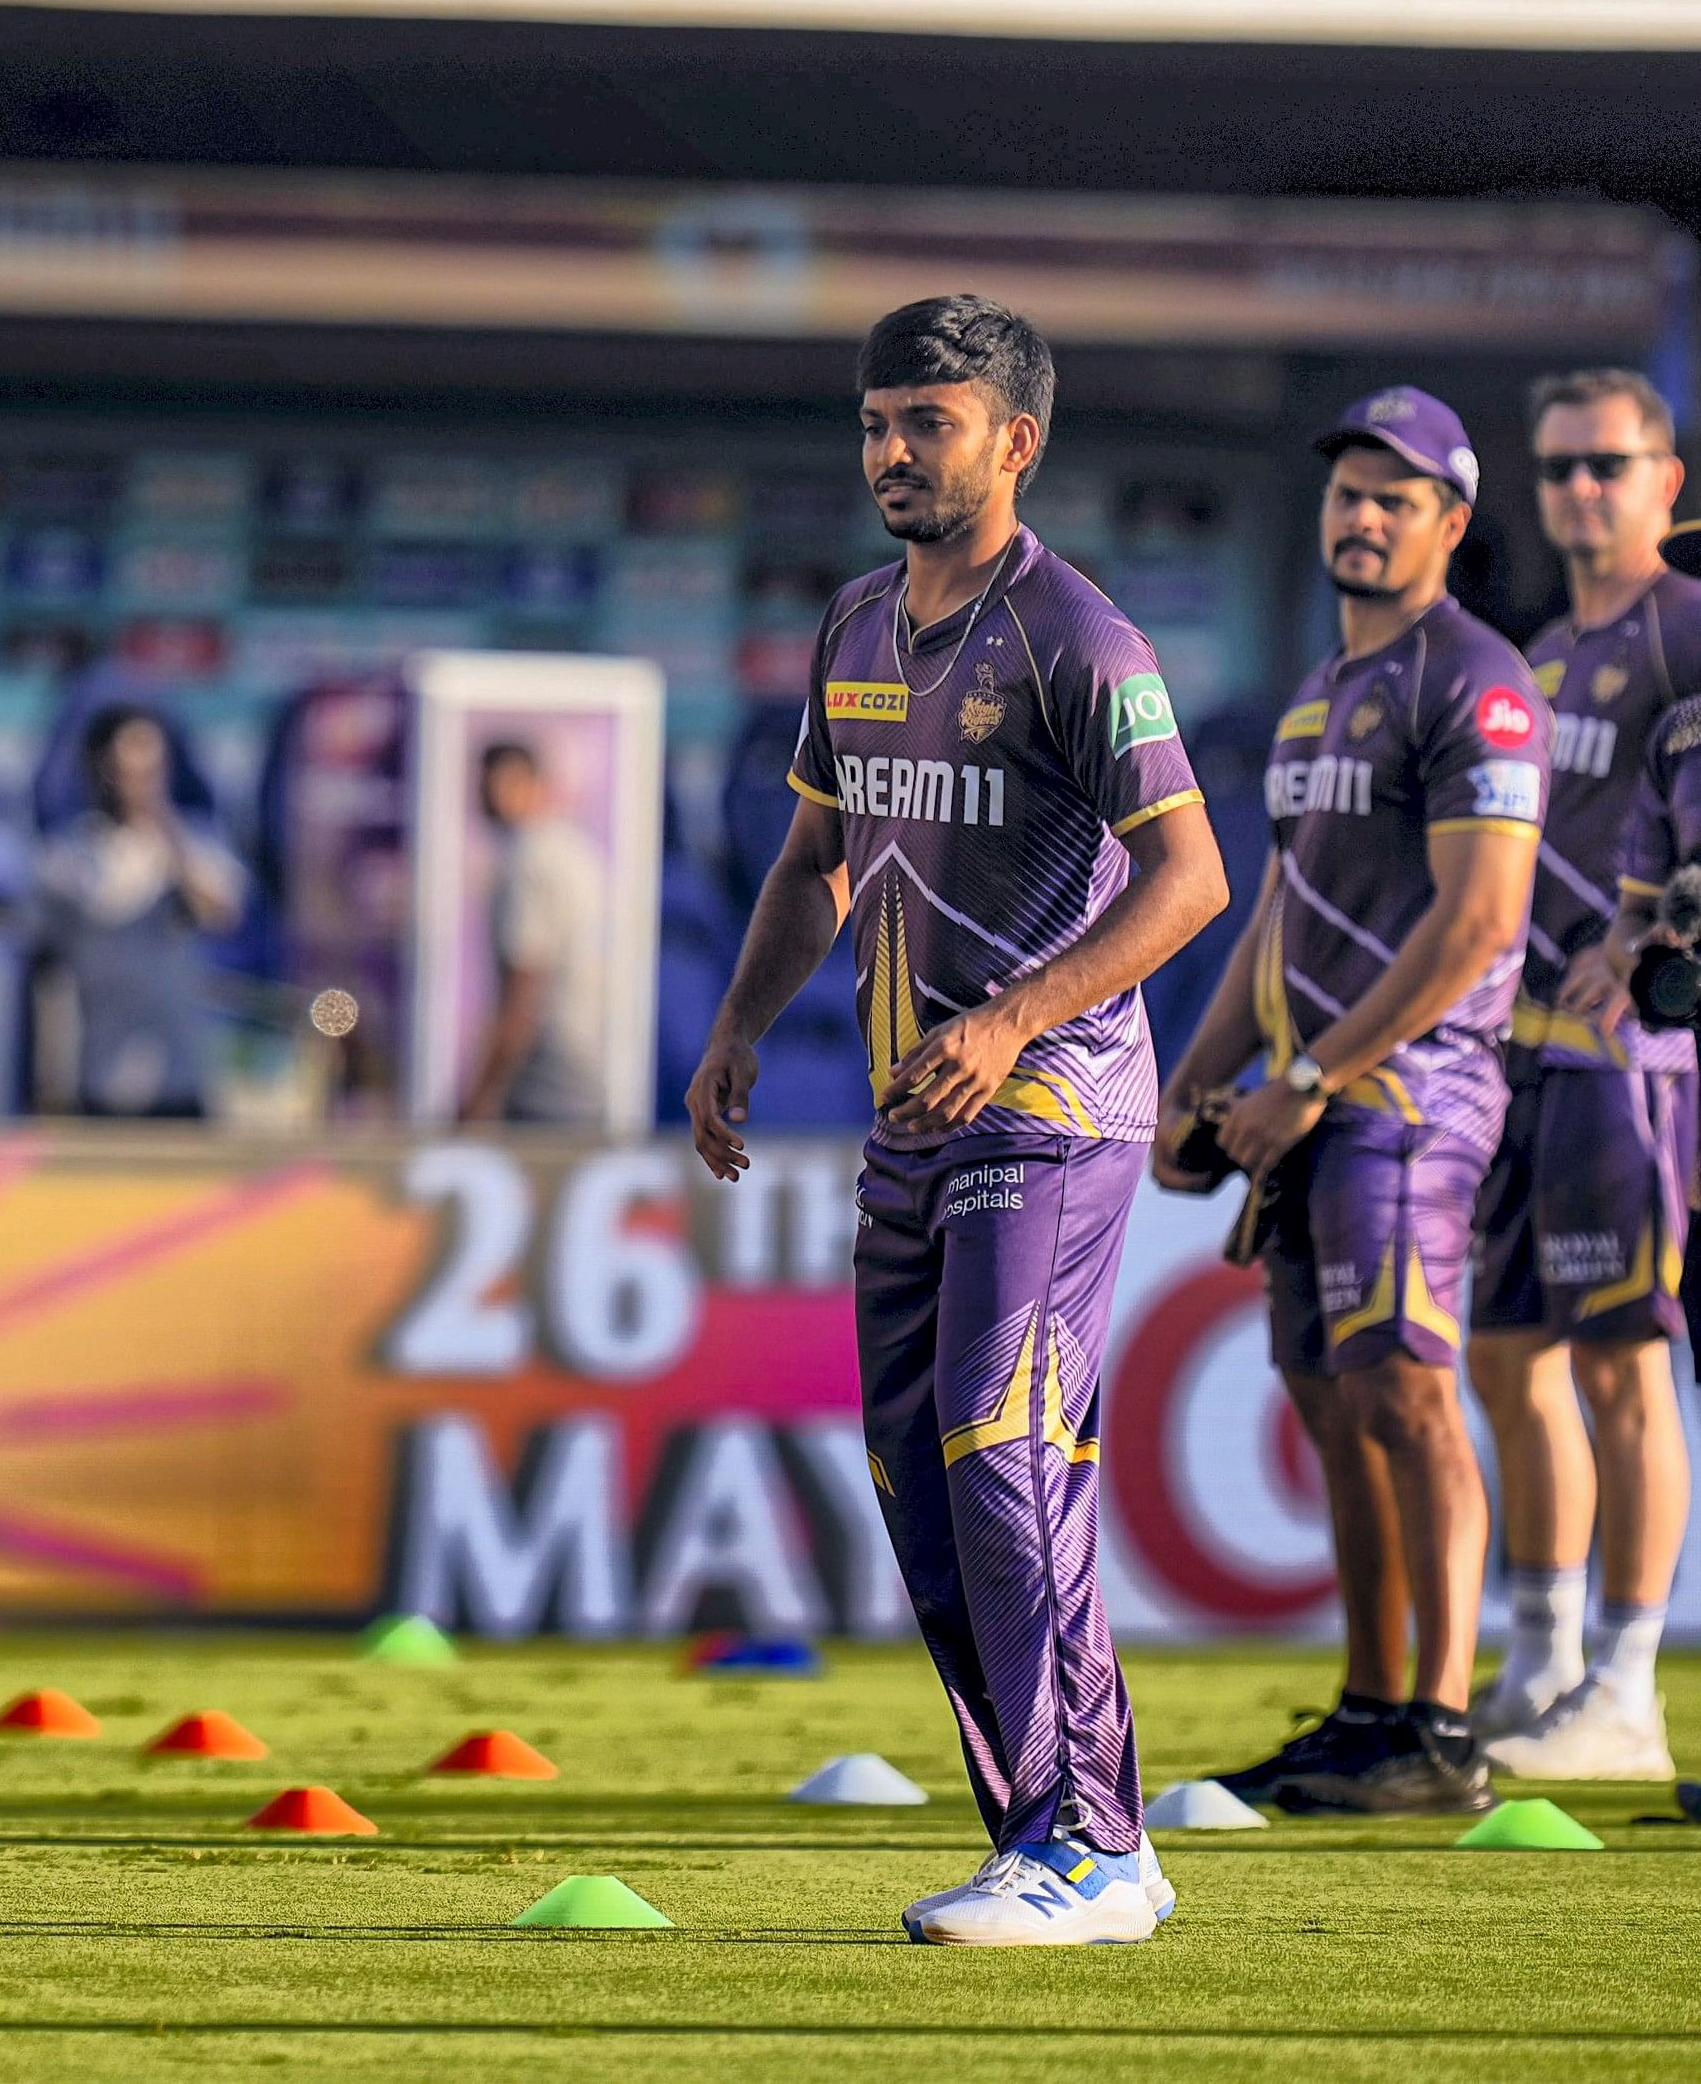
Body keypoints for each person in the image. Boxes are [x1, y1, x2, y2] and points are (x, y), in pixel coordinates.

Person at [688, 296, 1225, 1944]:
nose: (892, 452)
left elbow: (1192, 878)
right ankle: (1056, 1838)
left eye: (928, 421)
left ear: (1016, 440)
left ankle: (1090, 1838)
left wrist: (1007, 1019)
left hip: (1051, 1105)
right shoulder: (853, 624)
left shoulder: (1078, 636)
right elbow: (815, 859)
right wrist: (734, 1035)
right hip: (908, 1115)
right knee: (915, 1474)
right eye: (875, 423)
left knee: (1003, 1449)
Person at [1165, 385, 1540, 1820]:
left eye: (1397, 496)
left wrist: (1311, 1076)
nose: (1364, 516)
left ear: (1451, 522)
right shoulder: (1320, 694)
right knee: (1329, 1396)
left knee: (1406, 1389)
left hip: (1409, 1095)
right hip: (1306, 1100)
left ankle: (1440, 1728)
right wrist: (1196, 1081)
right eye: (1347, 492)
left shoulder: (1480, 680)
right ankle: (1370, 1705)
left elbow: (1480, 923)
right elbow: (1279, 908)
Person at [1461, 367, 1695, 1783]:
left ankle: (1629, 1684)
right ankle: (1544, 1657)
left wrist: (1663, 935)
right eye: (1556, 471)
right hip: (1523, 1058)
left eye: (1607, 464)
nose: (1580, 493)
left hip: (1638, 1059)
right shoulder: (1538, 659)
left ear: (1668, 477)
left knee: (1623, 1358)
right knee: (1504, 1355)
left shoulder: (1691, 634)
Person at [33, 705, 243, 1120]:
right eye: (124, 767)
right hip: (97, 1077)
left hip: (178, 1077)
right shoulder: (70, 855)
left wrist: (165, 826)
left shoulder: (193, 846)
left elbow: (219, 912)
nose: (137, 782)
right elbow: (47, 971)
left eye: (152, 769)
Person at [461, 736, 607, 1126]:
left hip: (546, 1077)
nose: (488, 798)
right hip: (589, 1068)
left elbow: (523, 988)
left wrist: (479, 1097)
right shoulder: (575, 849)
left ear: (532, 784)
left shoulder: (526, 857)